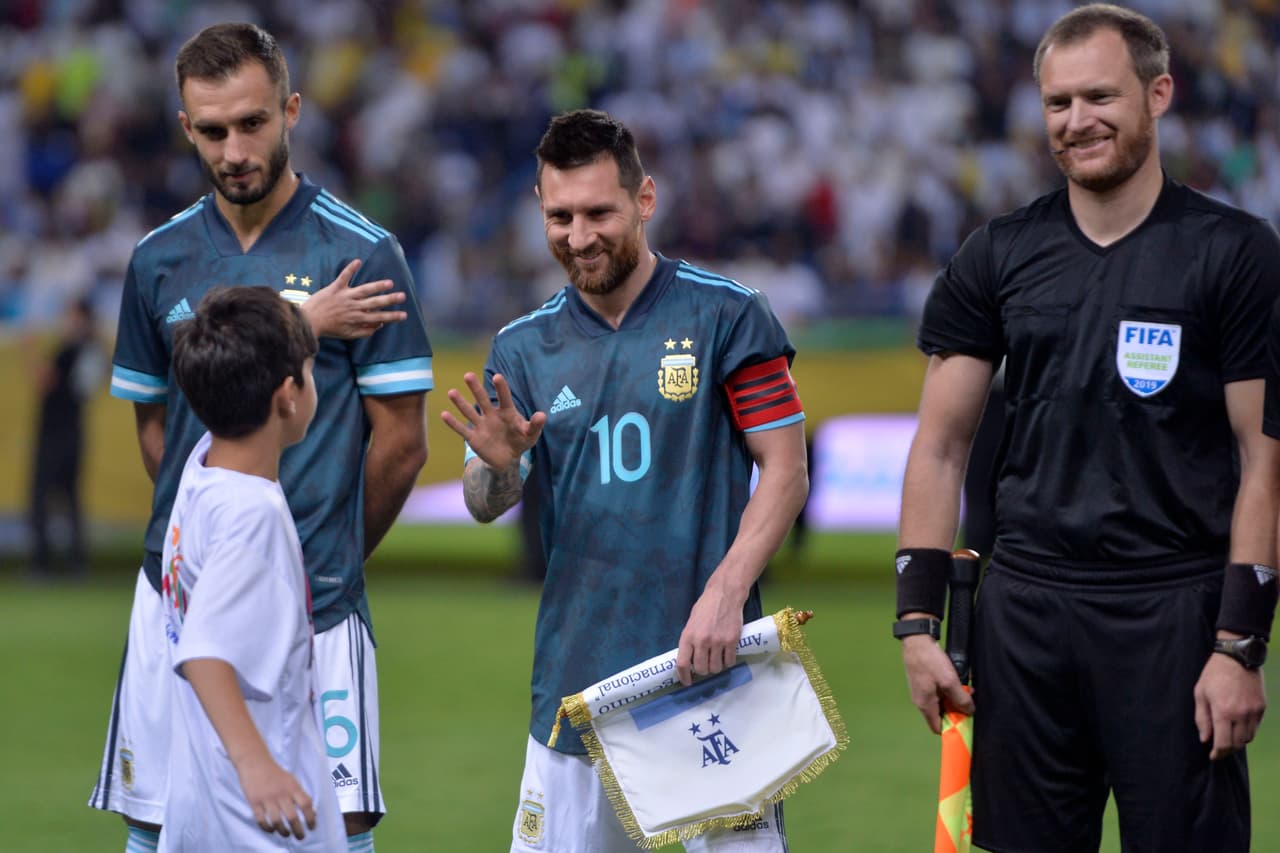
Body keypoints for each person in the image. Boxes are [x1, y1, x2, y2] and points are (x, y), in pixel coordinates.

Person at [894, 5, 1280, 852]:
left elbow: (1265, 459)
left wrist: (1239, 643)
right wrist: (917, 623)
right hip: (1025, 617)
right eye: (1058, 102)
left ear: (1158, 94)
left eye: (1100, 97)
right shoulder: (997, 254)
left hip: (1174, 616)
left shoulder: (1236, 254)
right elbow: (940, 445)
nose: (1077, 121)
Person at [89, 23, 433, 853]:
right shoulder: (157, 260)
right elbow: (156, 428)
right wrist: (209, 545)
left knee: (332, 823)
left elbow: (402, 442)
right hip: (174, 597)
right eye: (212, 130)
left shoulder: (362, 254)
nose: (235, 150)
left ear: (292, 110)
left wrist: (325, 556)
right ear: (185, 127)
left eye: (252, 123)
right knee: (157, 825)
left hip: (318, 602)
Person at [441, 109, 810, 853]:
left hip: (713, 669)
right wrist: (501, 466)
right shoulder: (521, 347)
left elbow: (786, 468)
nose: (579, 237)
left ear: (645, 199)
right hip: (577, 687)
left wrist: (725, 595)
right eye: (560, 217)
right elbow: (484, 502)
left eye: (598, 213)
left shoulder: (728, 315)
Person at [159, 285, 343, 852]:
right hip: (258, 821)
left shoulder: (202, 467)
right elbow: (205, 653)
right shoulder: (251, 514)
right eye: (308, 370)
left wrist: (301, 325)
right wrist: (256, 767)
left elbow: (230, 368)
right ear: (287, 395)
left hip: (201, 800)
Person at [27, 294, 105, 580]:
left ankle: (42, 564)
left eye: (70, 315)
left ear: (81, 318)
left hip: (55, 436)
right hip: (73, 433)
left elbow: (46, 381)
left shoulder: (71, 349)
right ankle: (75, 563)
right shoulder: (93, 350)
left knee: (41, 498)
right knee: (70, 500)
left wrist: (28, 352)